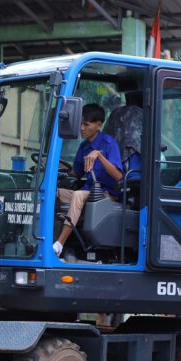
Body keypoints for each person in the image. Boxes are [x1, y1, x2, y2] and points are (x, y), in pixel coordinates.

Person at [53, 103, 124, 257]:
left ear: (98, 125)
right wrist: (59, 167)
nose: (81, 128)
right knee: (53, 193)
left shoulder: (109, 144)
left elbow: (119, 176)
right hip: (88, 190)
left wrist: (99, 155)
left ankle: (59, 245)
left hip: (105, 194)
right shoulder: (84, 146)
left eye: (86, 124)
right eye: (80, 124)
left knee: (78, 195)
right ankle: (47, 239)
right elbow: (76, 173)